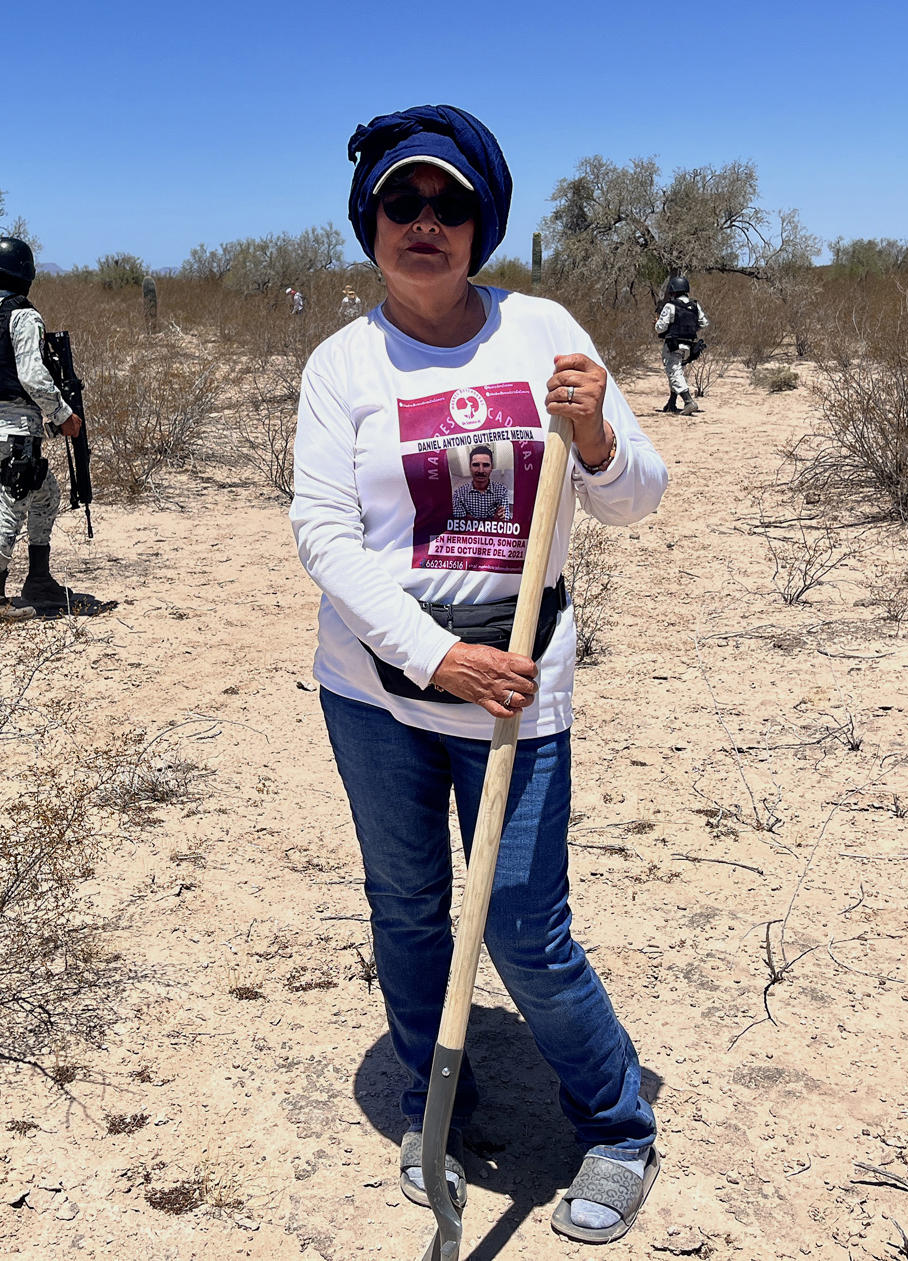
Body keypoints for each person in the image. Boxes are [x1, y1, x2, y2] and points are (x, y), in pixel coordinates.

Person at [291, 104, 669, 1245]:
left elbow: (639, 495)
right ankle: (433, 1101)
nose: (425, 223)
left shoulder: (542, 332)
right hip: (380, 692)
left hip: (519, 690)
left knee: (521, 923)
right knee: (406, 906)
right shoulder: (343, 364)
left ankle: (616, 1121)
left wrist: (598, 433)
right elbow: (323, 535)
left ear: (481, 222)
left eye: (449, 204)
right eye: (403, 202)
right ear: (370, 221)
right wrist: (436, 655)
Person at [0, 236, 110, 621]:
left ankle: (38, 579)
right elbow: (34, 378)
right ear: (26, 272)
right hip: (19, 424)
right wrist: (63, 416)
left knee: (47, 494)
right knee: (12, 501)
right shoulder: (23, 316)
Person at [653, 275, 709, 415]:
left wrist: (657, 323)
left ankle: (688, 401)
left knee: (674, 372)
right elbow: (704, 323)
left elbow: (660, 328)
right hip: (689, 346)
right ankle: (672, 402)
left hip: (673, 345)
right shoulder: (695, 305)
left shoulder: (670, 306)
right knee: (677, 372)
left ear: (673, 291)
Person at [450, 445, 510, 522]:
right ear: (470, 467)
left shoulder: (502, 491)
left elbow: (505, 519)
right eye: (476, 465)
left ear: (492, 467)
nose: (481, 471)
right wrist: (493, 519)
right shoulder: (459, 494)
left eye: (486, 465)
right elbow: (459, 523)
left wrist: (470, 517)